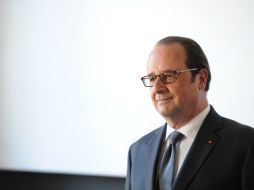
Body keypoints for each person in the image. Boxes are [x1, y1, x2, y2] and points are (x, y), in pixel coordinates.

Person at [125, 36, 254, 190]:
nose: (157, 88)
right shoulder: (137, 151)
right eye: (152, 78)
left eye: (168, 76)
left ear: (201, 79)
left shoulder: (246, 145)